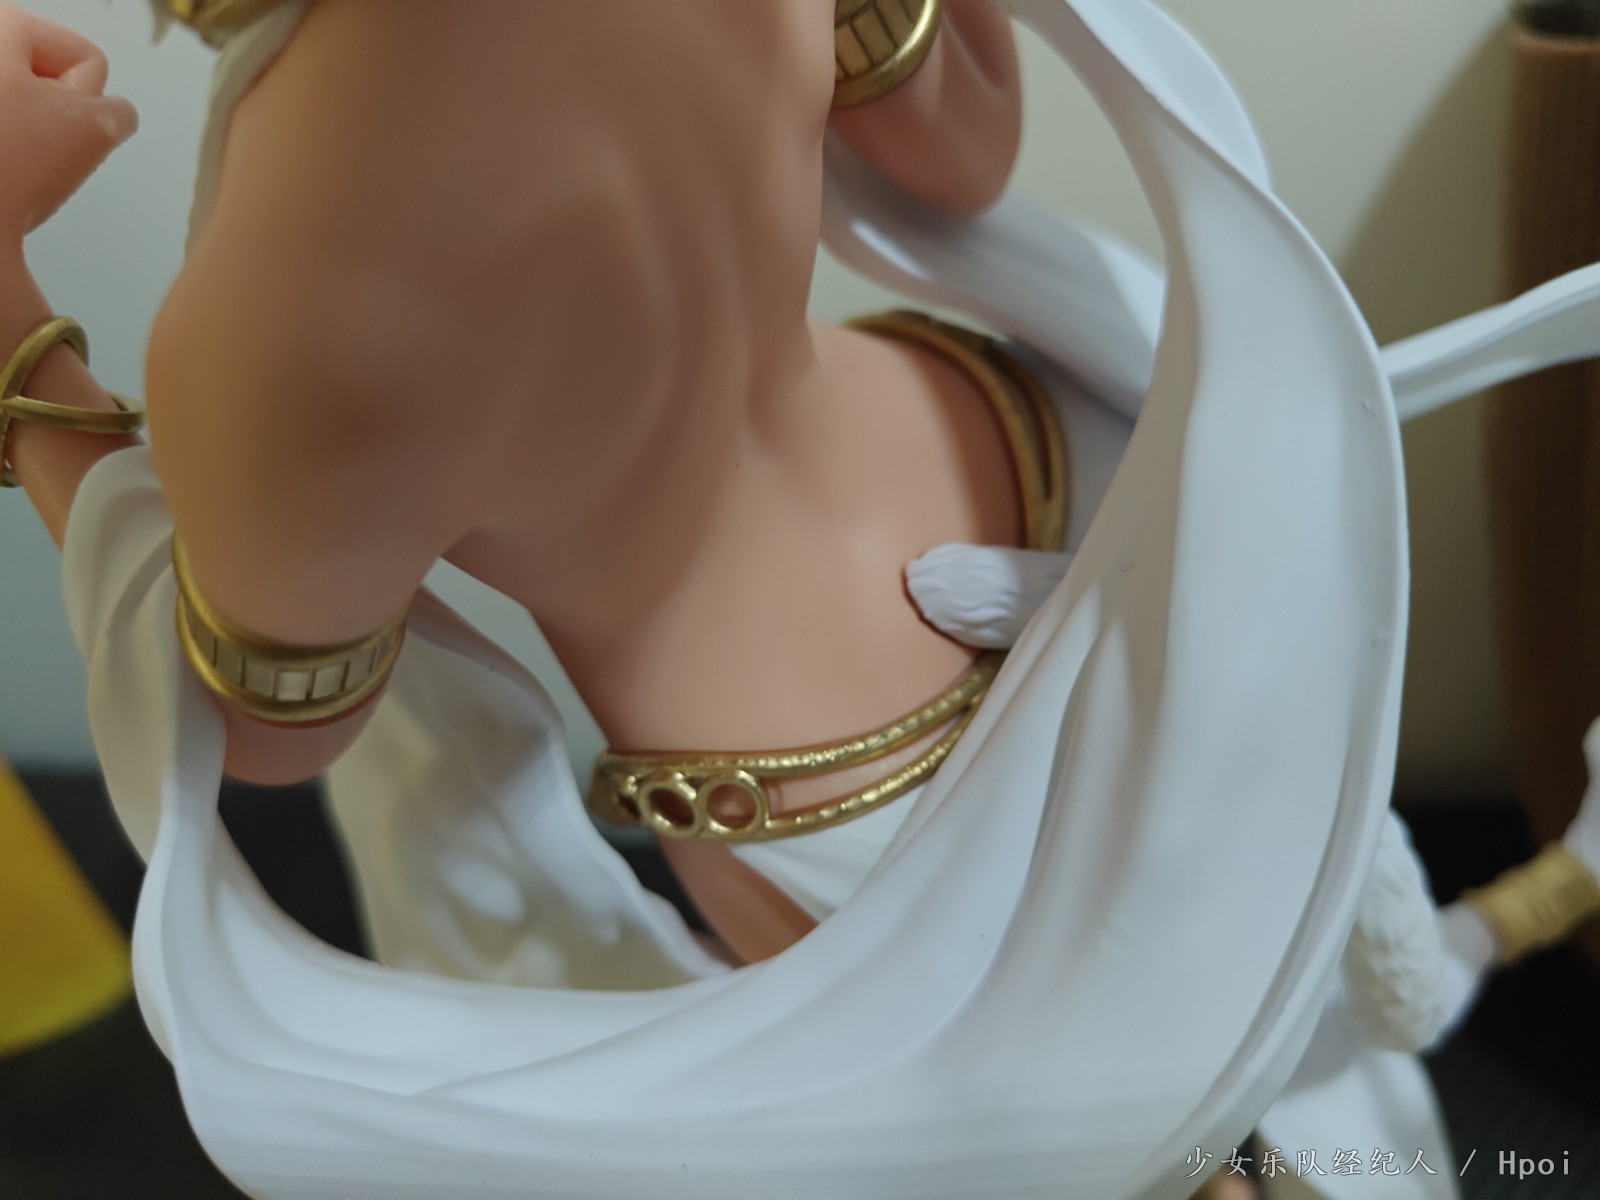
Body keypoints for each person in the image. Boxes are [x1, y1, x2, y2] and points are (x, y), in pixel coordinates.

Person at [4, 1, 1599, 1196]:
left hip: (853, 790)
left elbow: (266, 723)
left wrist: (17, 325)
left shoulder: (291, 313)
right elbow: (959, 153)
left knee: (1116, 1128)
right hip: (1054, 453)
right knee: (1267, 884)